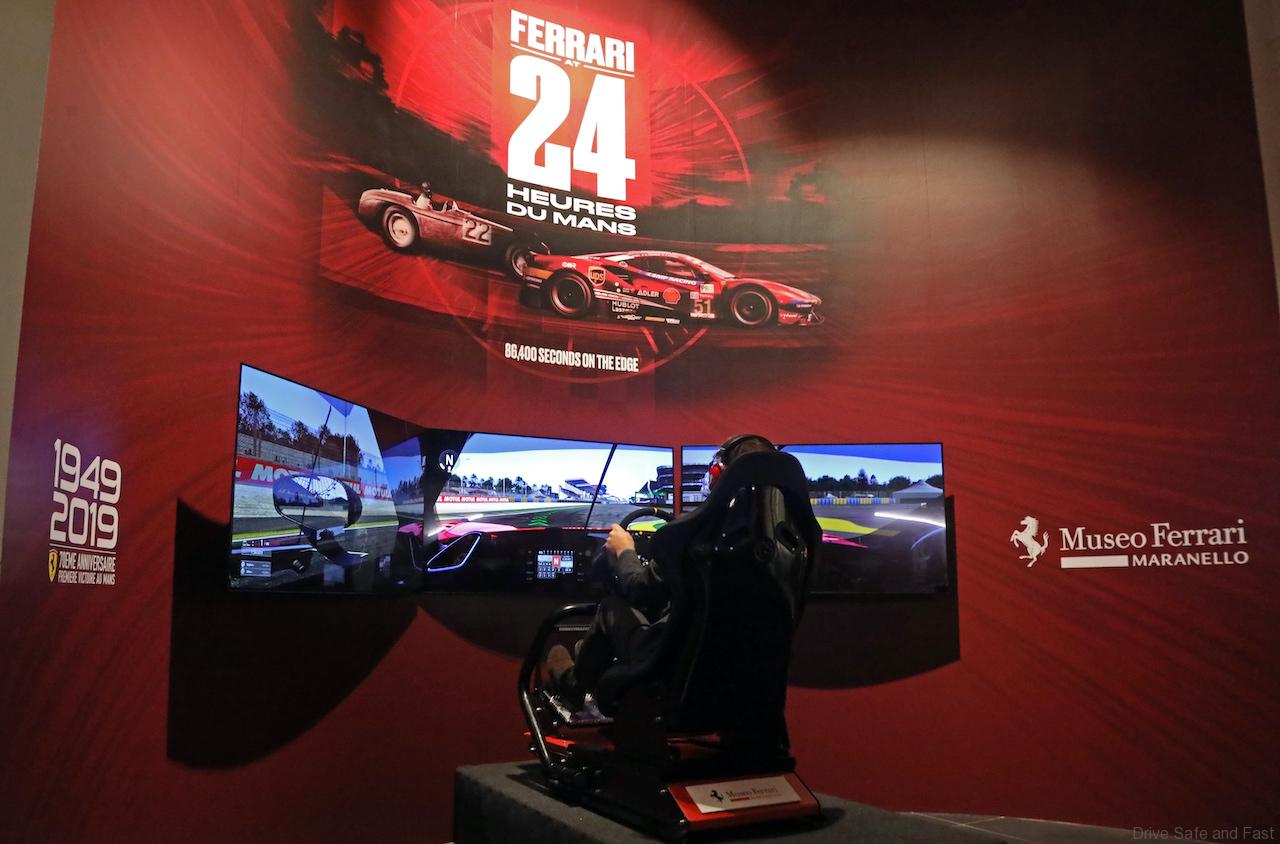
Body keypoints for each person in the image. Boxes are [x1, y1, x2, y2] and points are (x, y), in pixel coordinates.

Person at [544, 434, 776, 706]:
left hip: (672, 664)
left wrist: (624, 550)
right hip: (747, 684)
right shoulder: (786, 547)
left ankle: (574, 683)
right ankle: (591, 654)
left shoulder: (693, 535)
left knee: (609, 609)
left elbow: (640, 589)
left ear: (717, 474)